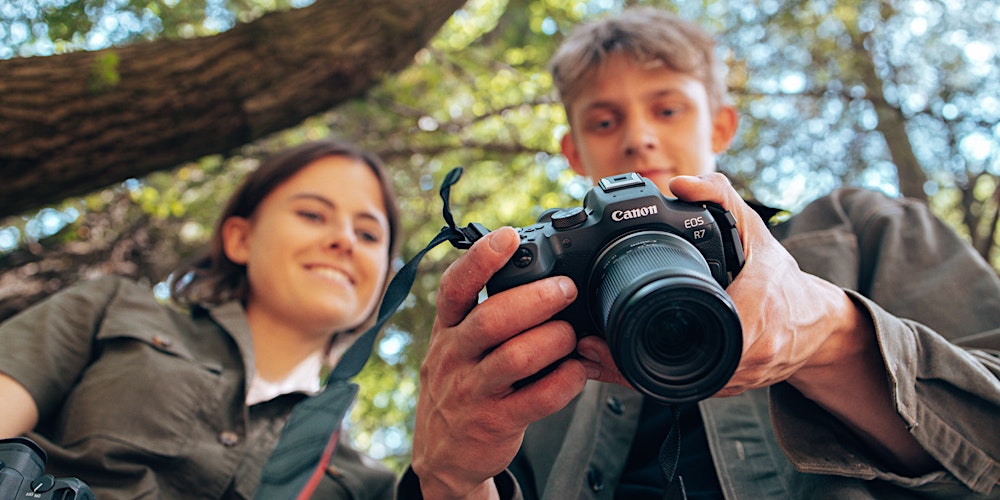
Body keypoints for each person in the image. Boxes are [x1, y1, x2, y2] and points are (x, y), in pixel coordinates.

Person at [402, 7, 1000, 499]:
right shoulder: (539, 318)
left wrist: (829, 335)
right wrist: (451, 480)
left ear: (720, 127)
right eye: (604, 122)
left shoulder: (860, 230)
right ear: (574, 152)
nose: (639, 137)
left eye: (667, 109)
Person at [0, 139, 400, 499]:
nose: (345, 240)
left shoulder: (371, 486)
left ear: (384, 281)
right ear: (240, 239)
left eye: (368, 235)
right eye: (312, 214)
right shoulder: (108, 308)